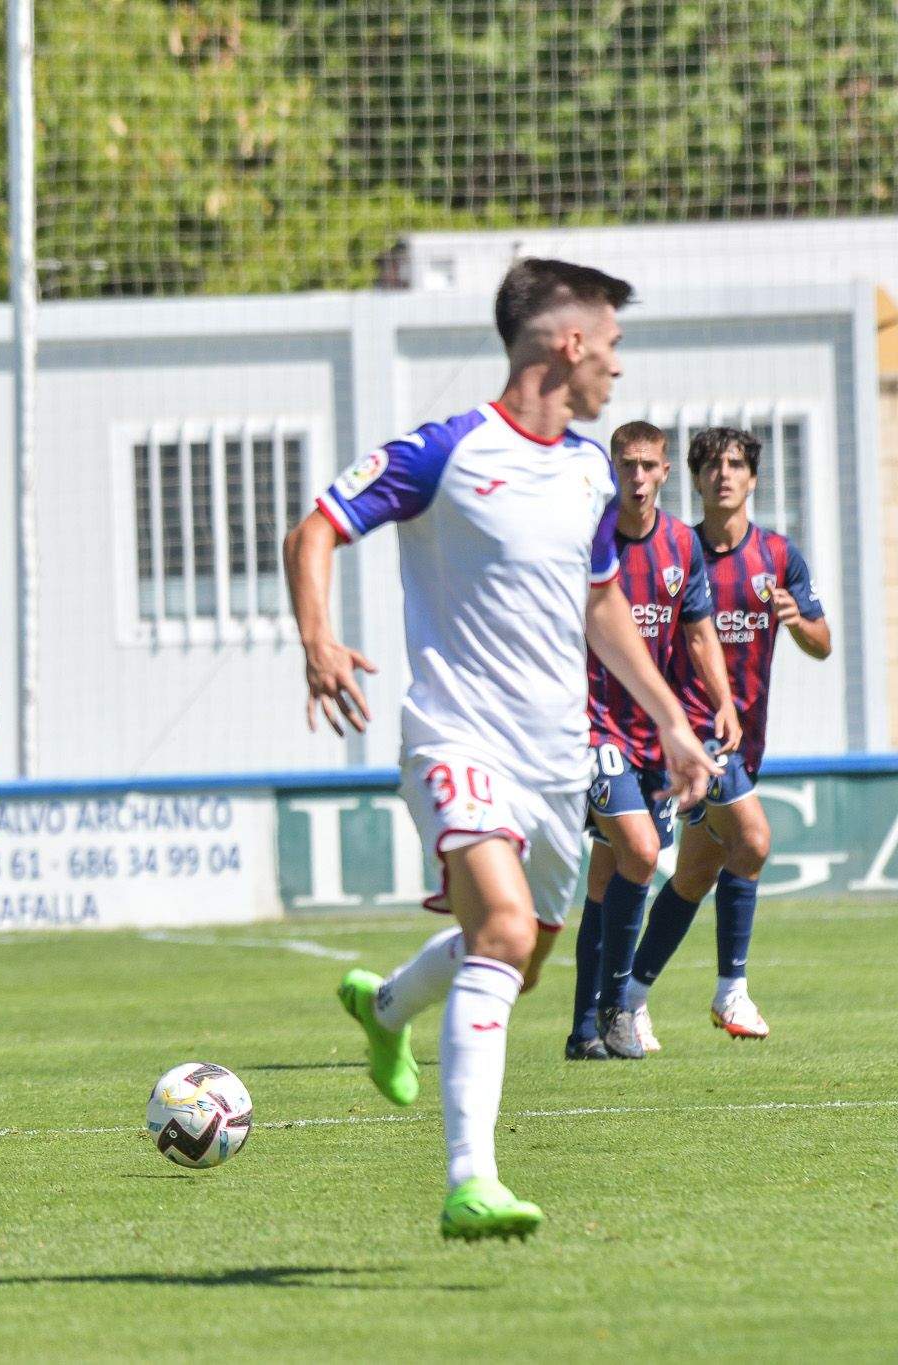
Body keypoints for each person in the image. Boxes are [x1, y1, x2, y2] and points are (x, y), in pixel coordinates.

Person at [284, 259, 714, 1240]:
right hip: (454, 738)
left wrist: (670, 722)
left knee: (514, 960)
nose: (614, 366)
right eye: (609, 345)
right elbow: (313, 530)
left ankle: (387, 1007)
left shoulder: (588, 469)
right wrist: (315, 639)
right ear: (566, 344)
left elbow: (598, 602)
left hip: (558, 763)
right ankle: (468, 1181)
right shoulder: (446, 451)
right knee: (505, 933)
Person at [618, 426, 831, 1044]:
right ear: (695, 478)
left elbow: (822, 643)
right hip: (692, 731)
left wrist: (795, 621)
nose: (724, 475)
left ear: (753, 479)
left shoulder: (777, 556)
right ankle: (731, 992)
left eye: (736, 464)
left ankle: (627, 998)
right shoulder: (677, 549)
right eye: (711, 465)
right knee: (756, 841)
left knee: (694, 875)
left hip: (747, 738)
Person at [567, 422, 738, 1061]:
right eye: (626, 465)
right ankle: (619, 1007)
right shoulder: (590, 541)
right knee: (640, 853)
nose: (636, 478)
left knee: (609, 879)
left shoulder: (681, 547)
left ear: (665, 472)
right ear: (612, 469)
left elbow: (697, 633)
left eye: (647, 466)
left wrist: (720, 702)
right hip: (591, 727)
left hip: (651, 737)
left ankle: (584, 1029)